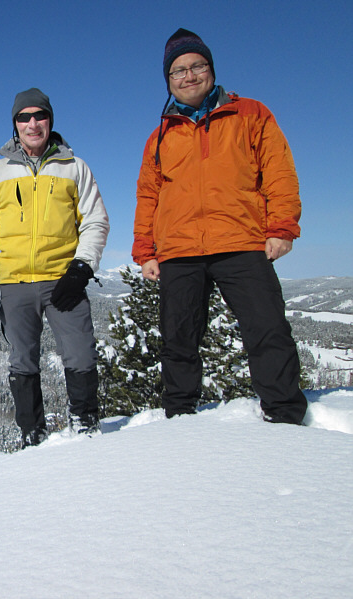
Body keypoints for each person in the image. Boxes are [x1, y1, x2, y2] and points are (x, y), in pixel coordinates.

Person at [133, 28, 307, 424]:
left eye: (197, 65)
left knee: (267, 329)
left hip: (241, 240)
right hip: (178, 250)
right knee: (178, 339)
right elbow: (148, 196)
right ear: (168, 80)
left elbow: (278, 171)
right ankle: (179, 417)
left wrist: (282, 226)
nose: (189, 75)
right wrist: (145, 250)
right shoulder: (159, 136)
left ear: (211, 70)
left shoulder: (250, 113)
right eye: (179, 70)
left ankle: (284, 415)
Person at [0, 88, 110, 447]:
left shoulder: (75, 168)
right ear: (15, 125)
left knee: (80, 353)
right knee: (22, 361)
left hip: (65, 280)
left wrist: (81, 269)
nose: (33, 123)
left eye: (39, 116)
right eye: (24, 117)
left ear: (50, 121)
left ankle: (86, 428)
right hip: (15, 283)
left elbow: (95, 221)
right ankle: (32, 437)